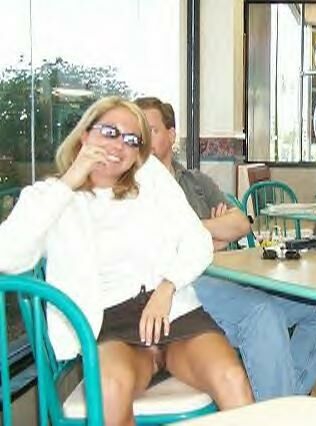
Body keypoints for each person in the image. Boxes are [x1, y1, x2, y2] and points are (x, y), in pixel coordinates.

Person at [0, 97, 254, 425]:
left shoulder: (151, 178)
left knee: (232, 378)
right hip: (110, 326)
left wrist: (167, 288)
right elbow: (7, 255)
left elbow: (198, 240)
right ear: (84, 134)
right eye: (109, 132)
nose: (120, 144)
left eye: (132, 139)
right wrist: (72, 179)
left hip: (174, 312)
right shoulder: (55, 198)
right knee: (109, 390)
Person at [134, 97, 316, 402]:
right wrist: (210, 234)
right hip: (184, 287)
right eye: (137, 133)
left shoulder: (195, 181)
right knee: (263, 314)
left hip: (224, 276)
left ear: (171, 134)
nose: (143, 141)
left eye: (151, 130)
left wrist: (196, 234)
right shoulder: (136, 185)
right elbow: (158, 247)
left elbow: (240, 224)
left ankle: (279, 403)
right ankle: (280, 409)